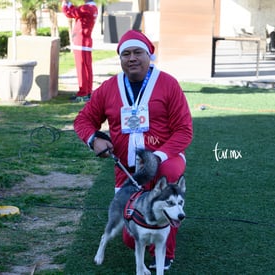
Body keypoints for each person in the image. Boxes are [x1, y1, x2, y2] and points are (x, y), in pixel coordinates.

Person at [74, 30, 193, 270]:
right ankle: (153, 229)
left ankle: (165, 251)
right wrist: (94, 139)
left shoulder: (168, 83)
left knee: (167, 175)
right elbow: (83, 121)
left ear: (149, 56)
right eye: (126, 54)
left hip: (164, 159)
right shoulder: (108, 87)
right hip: (128, 169)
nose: (132, 58)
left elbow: (184, 130)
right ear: (120, 59)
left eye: (138, 52)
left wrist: (156, 158)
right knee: (130, 237)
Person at [62, 0, 98, 102]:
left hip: (80, 41)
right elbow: (76, 11)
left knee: (81, 68)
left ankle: (82, 93)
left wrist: (65, 3)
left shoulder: (86, 8)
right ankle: (88, 92)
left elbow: (69, 13)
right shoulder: (92, 8)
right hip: (86, 41)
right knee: (87, 68)